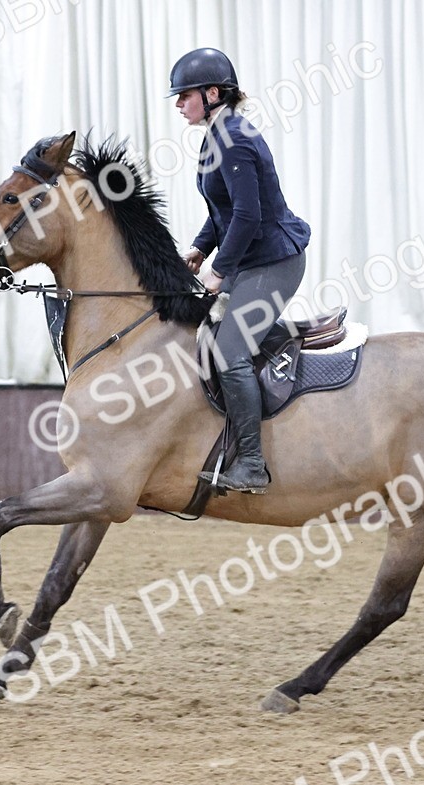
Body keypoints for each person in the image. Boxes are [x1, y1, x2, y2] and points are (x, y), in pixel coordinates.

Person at [168, 47, 311, 493]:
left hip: (274, 261)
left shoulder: (235, 138)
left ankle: (252, 464)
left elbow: (248, 217)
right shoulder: (216, 136)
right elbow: (224, 212)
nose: (178, 104)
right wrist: (199, 248)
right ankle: (271, 335)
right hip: (250, 259)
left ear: (213, 93)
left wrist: (217, 272)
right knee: (211, 329)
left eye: (185, 95)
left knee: (229, 352)